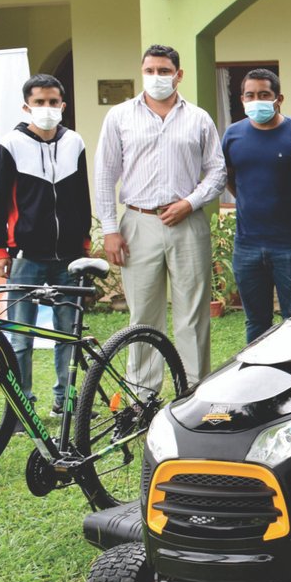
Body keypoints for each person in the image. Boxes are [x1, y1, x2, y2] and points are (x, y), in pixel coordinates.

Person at [94, 44, 226, 387]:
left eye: (164, 71)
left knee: (192, 315)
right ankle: (142, 395)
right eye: (150, 71)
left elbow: (216, 171)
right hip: (138, 222)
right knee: (143, 316)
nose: (157, 77)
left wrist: (190, 202)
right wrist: (110, 229)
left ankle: (193, 392)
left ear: (178, 75)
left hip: (187, 222)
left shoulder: (198, 118)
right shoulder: (120, 116)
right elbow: (105, 174)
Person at [0, 73, 92, 413]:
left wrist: (85, 241)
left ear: (63, 105)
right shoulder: (10, 145)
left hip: (69, 258)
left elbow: (81, 197)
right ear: (26, 106)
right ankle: (21, 409)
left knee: (67, 335)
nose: (46, 108)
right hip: (26, 256)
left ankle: (65, 403)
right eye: (39, 102)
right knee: (20, 338)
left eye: (52, 102)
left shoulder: (75, 142)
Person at [221, 67, 291, 344]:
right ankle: (258, 380)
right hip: (246, 244)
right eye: (250, 95)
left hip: (290, 245)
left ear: (278, 98)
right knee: (256, 320)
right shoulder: (233, 135)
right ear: (242, 99)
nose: (256, 100)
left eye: (264, 94)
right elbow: (230, 178)